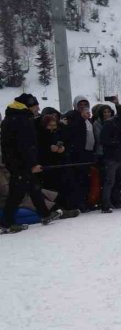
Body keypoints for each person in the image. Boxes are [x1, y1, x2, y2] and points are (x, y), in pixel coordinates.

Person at [1, 94, 63, 234]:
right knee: (16, 194)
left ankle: (45, 215)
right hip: (21, 163)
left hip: (15, 161)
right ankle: (6, 224)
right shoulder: (22, 120)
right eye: (36, 105)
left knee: (34, 188)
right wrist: (32, 164)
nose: (38, 108)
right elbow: (25, 145)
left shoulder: (11, 118)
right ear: (29, 105)